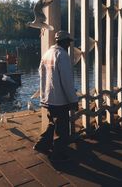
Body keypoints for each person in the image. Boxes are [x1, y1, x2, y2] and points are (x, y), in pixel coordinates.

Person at [33, 30, 78, 161]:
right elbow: (67, 81)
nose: (69, 45)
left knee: (52, 123)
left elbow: (41, 74)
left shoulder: (47, 53)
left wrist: (44, 94)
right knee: (62, 129)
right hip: (60, 100)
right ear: (63, 42)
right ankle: (57, 154)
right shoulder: (62, 55)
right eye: (68, 42)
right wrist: (73, 100)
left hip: (48, 98)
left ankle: (42, 144)